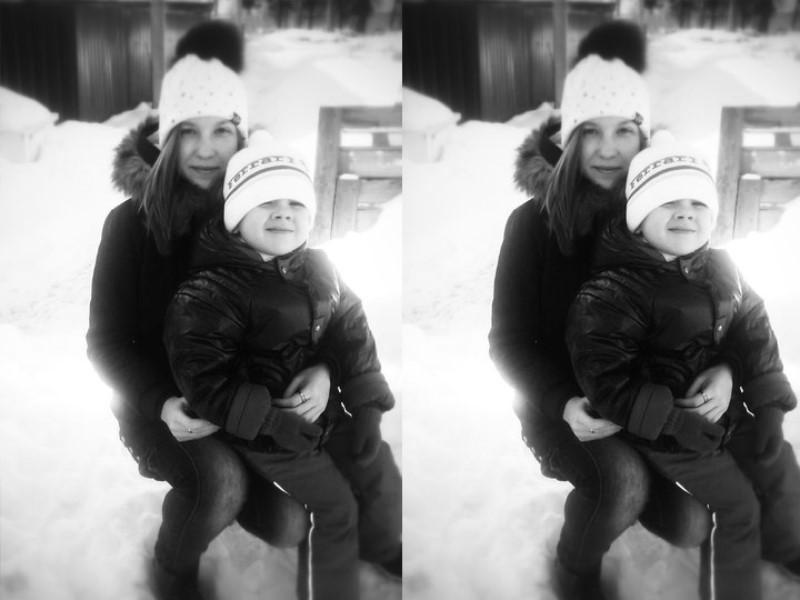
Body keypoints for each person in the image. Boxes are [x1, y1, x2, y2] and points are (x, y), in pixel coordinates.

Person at [86, 23, 319, 600]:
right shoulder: (131, 225)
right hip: (161, 406)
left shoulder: (264, 212)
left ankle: (225, 492)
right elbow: (106, 342)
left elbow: (318, 306)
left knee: (289, 526)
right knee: (218, 483)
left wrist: (323, 368)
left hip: (245, 401)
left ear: (242, 135)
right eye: (188, 131)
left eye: (222, 130)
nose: (207, 148)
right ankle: (173, 572)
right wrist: (161, 404)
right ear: (167, 137)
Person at [489, 21, 720, 600]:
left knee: (690, 526)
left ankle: (629, 491)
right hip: (565, 407)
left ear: (645, 135)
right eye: (591, 131)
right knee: (620, 483)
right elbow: (508, 342)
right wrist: (563, 404)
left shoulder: (669, 213)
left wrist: (726, 367)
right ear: (569, 138)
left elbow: (721, 307)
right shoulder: (533, 225)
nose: (609, 148)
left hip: (650, 402)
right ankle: (574, 571)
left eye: (624, 130)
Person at [162, 133, 403, 600]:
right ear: (236, 217)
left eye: (296, 203)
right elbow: (204, 380)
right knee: (335, 506)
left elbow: (350, 328)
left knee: (377, 465)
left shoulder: (319, 267)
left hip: (322, 414)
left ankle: (381, 545)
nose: (283, 212)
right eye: (266, 202)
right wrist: (272, 421)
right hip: (263, 434)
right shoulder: (209, 292)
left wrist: (366, 406)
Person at [565, 136, 800, 600]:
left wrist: (769, 405)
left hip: (726, 414)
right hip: (667, 435)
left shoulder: (722, 267)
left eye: (698, 203)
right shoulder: (612, 292)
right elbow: (606, 379)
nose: (686, 213)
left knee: (779, 464)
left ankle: (786, 546)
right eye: (668, 201)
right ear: (638, 216)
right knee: (737, 506)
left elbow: (752, 328)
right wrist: (674, 421)